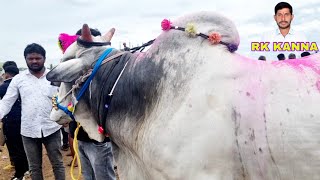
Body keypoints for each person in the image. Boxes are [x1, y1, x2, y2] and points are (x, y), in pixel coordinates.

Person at [0, 43, 65, 180]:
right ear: (25, 59)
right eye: (30, 58)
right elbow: (7, 101)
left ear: (44, 59)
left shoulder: (54, 77)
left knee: (58, 164)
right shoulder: (19, 79)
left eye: (38, 58)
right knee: (34, 167)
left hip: (51, 128)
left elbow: (65, 98)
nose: (34, 61)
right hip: (28, 130)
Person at [58, 28, 116, 180]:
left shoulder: (106, 74)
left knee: (103, 177)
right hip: (79, 137)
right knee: (87, 176)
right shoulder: (72, 72)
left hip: (99, 141)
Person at [0, 62, 29, 180]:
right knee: (24, 146)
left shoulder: (3, 88)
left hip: (11, 121)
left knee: (14, 148)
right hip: (24, 119)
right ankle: (27, 168)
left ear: (6, 74)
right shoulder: (23, 84)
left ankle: (19, 173)